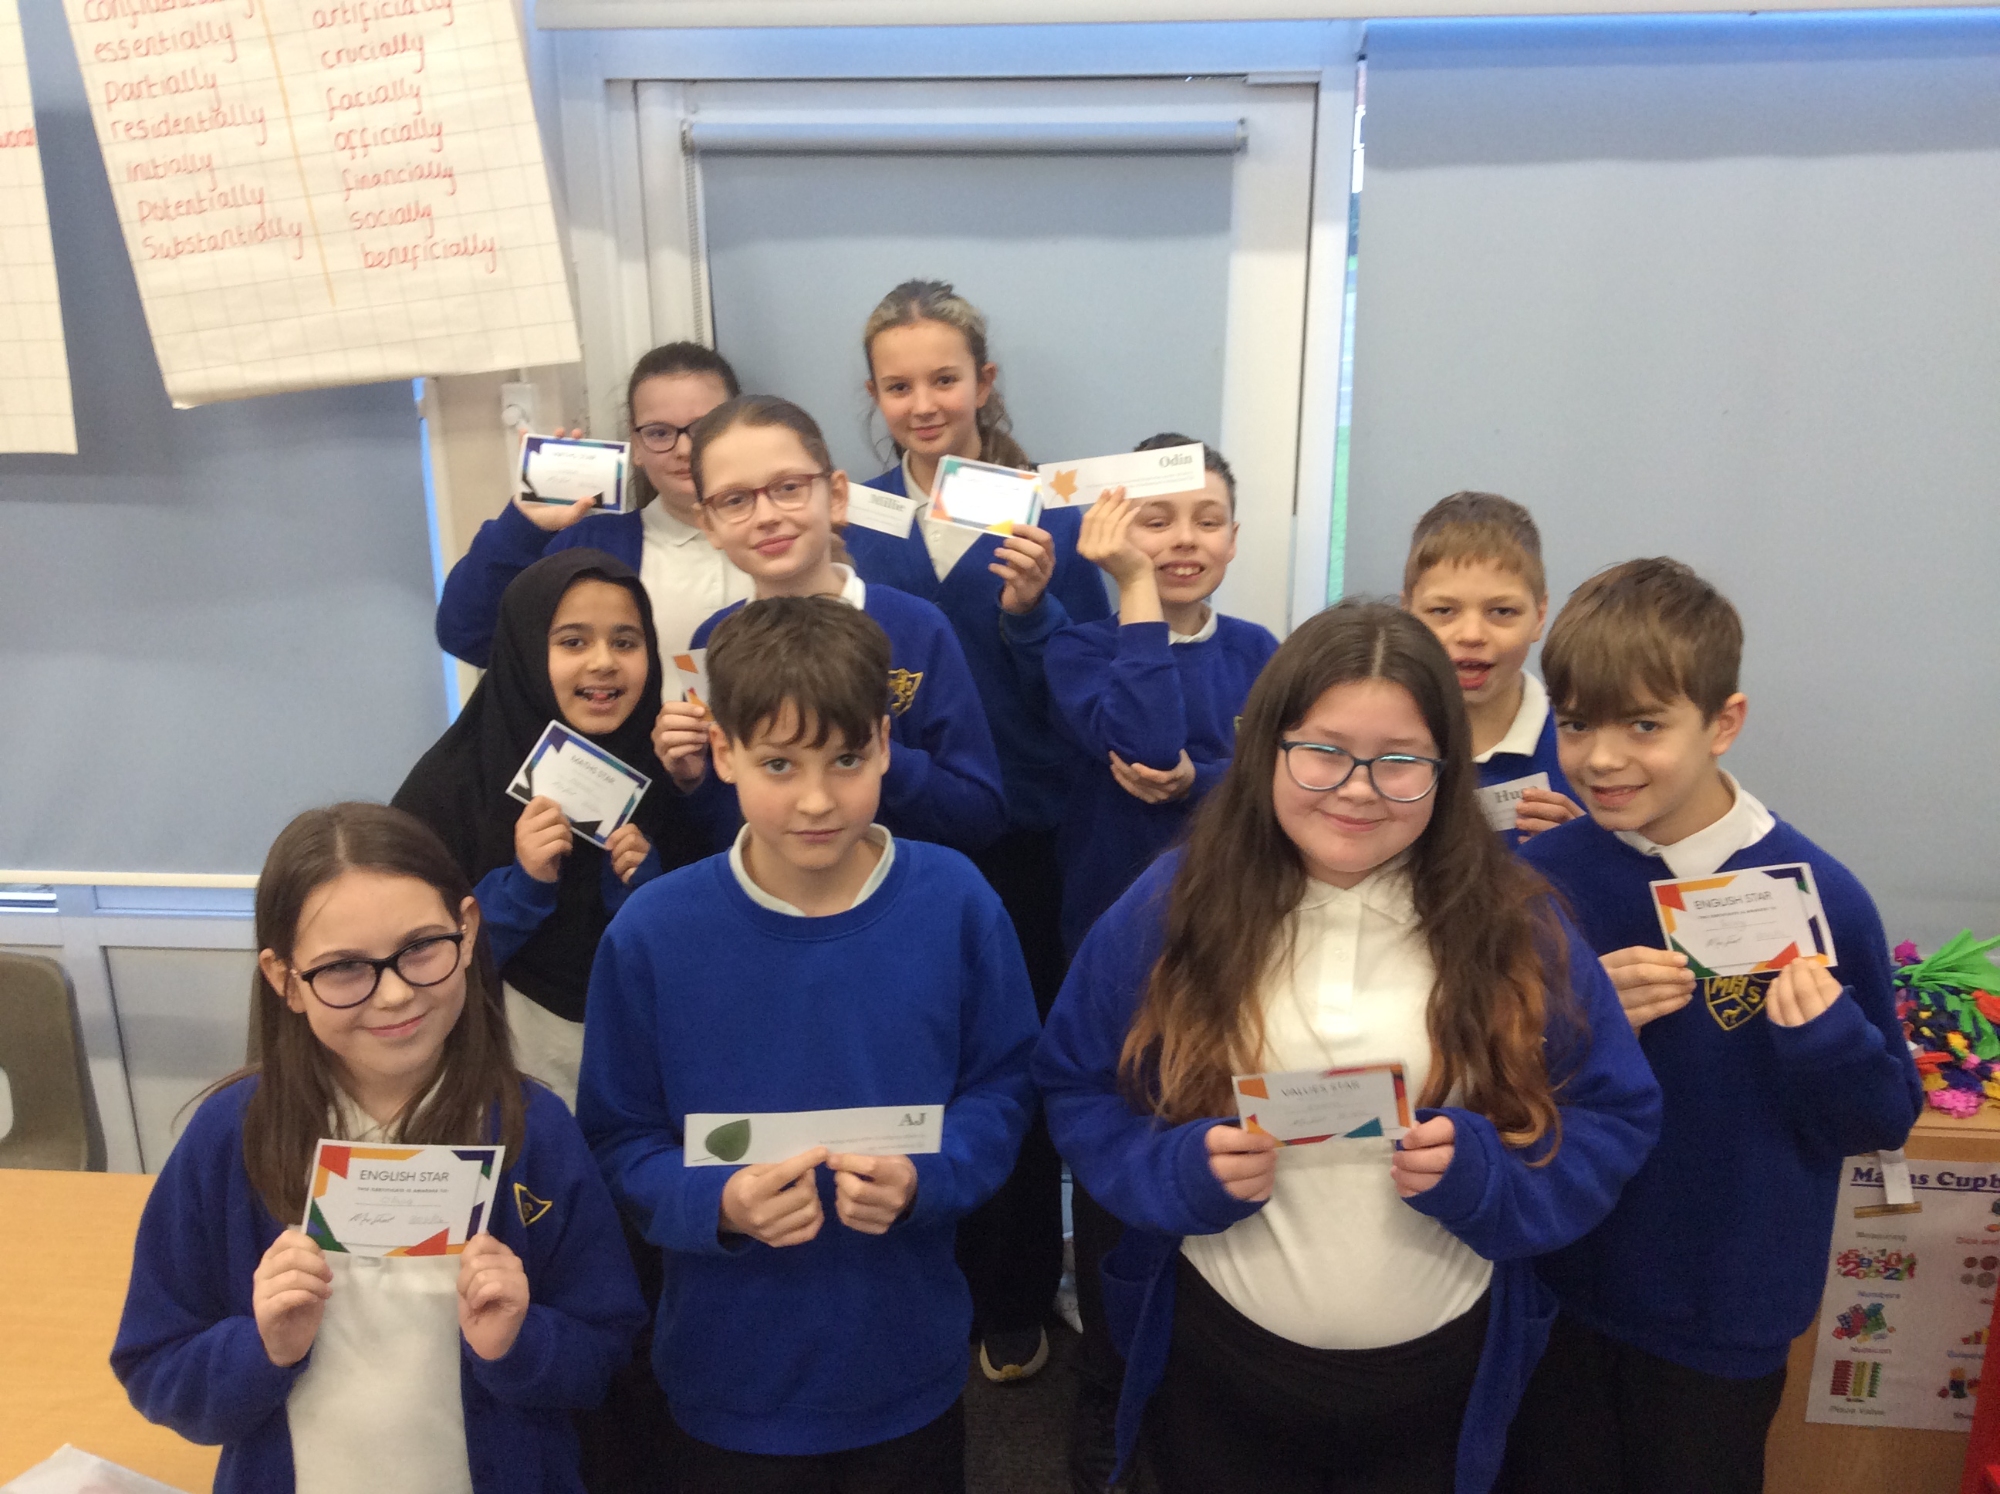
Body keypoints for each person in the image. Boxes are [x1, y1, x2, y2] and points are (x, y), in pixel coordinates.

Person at [1035, 601, 1662, 1494]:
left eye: (1400, 760)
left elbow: (1613, 1114)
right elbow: (1079, 1082)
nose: (1359, 789)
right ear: (1268, 748)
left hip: (1439, 1369)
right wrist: (1172, 1171)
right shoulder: (1174, 905)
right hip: (1222, 1357)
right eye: (1324, 751)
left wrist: (1494, 1177)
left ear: (1447, 769)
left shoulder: (1515, 923)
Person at [577, 596, 1040, 1493]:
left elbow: (1004, 1086)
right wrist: (716, 1203)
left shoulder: (956, 902)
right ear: (723, 754)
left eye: (847, 760)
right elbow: (618, 1137)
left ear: (886, 744)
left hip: (906, 1361)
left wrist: (931, 1177)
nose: (818, 799)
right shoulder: (654, 932)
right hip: (727, 1375)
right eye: (779, 764)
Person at [1498, 558, 1923, 1494]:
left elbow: (1880, 1120)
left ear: (1723, 723)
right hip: (1557, 1292)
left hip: (1721, 1315)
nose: (1601, 758)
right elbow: (1491, 1081)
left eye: (1644, 725)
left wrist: (1825, 1040)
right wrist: (1574, 1024)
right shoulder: (1545, 880)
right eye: (1577, 723)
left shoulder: (1823, 896)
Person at [112, 803, 644, 1494]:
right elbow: (155, 1365)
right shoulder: (231, 1137)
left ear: (468, 930)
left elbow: (606, 1351)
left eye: (421, 947)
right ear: (285, 980)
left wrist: (518, 1342)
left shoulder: (532, 1130)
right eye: (343, 968)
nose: (394, 994)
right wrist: (263, 1348)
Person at [852, 276, 1115, 1382]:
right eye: (897, 385)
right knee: (908, 1059)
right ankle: (911, 1274)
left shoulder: (1051, 517)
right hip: (889, 835)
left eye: (943, 379)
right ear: (875, 395)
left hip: (1023, 838)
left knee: (1014, 1061)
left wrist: (1032, 611)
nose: (923, 404)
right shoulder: (850, 516)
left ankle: (1014, 1289)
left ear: (983, 382)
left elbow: (1089, 698)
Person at [396, 549, 707, 1111]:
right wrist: (522, 887)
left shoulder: (673, 772)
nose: (603, 662)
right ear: (524, 650)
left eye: (626, 642)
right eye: (573, 642)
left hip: (650, 1070)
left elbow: (706, 957)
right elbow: (413, 966)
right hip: (498, 1071)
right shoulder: (453, 785)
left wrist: (650, 893)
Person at [652, 394, 1008, 855]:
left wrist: (858, 744)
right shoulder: (711, 641)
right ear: (709, 523)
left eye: (788, 487)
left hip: (901, 884)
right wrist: (692, 777)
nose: (767, 516)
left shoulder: (916, 627)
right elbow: (724, 827)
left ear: (836, 495)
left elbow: (981, 812)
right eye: (735, 500)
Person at [1046, 436, 1278, 956]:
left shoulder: (1260, 650)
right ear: (1116, 532)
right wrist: (1134, 582)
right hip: (1113, 923)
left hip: (1236, 915)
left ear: (1233, 539)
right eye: (1156, 522)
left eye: (1209, 522)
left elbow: (1285, 773)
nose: (1185, 539)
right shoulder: (1077, 651)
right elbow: (1148, 746)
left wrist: (1200, 780)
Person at [434, 343, 750, 664]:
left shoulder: (779, 536)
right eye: (658, 433)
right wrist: (521, 528)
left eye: (704, 428)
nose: (683, 449)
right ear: (637, 446)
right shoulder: (590, 548)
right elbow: (468, 636)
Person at [1401, 491, 1581, 846]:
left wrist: (1584, 849)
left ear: (1539, 616)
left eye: (1502, 611)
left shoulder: (1583, 749)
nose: (1471, 635)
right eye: (1443, 611)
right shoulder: (1375, 742)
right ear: (1407, 612)